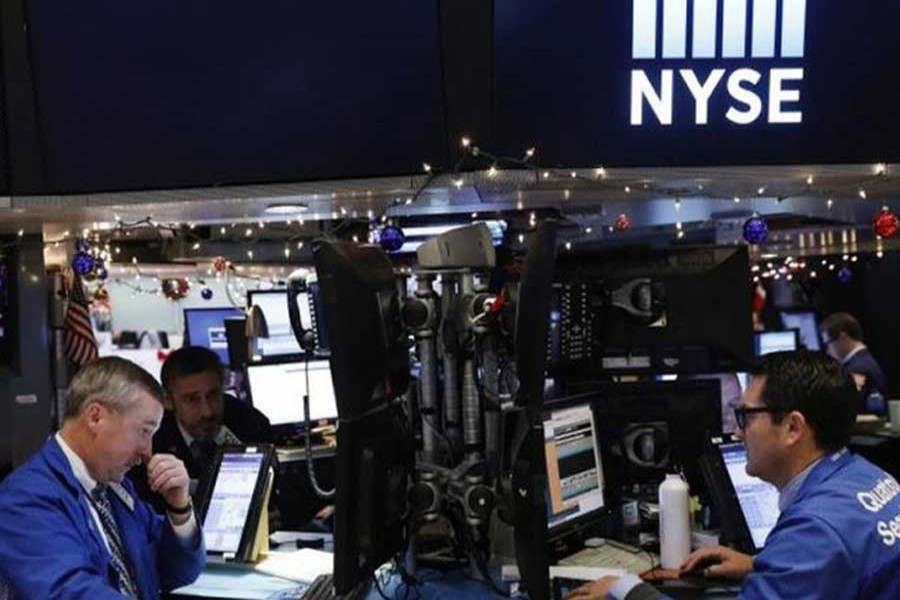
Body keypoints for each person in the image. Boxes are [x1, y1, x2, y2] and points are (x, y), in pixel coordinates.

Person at [566, 350, 900, 600]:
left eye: (747, 416)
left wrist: (627, 590)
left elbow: (823, 551)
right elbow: (842, 567)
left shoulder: (815, 532)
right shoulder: (868, 476)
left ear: (793, 427)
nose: (739, 433)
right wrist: (761, 566)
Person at [0, 356, 205, 598]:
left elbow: (177, 572)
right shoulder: (24, 499)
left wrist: (179, 508)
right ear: (95, 417)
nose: (147, 451)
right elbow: (71, 593)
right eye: (144, 431)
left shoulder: (115, 488)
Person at [153, 346, 273, 499]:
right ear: (168, 401)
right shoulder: (153, 439)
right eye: (192, 399)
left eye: (213, 395)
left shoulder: (249, 423)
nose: (207, 411)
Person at [820, 312, 887, 412]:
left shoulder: (857, 368)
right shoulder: (863, 360)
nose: (827, 350)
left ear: (843, 338)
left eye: (828, 343)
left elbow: (847, 409)